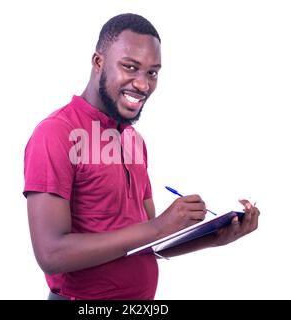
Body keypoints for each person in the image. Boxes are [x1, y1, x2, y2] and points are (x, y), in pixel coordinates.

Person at [23, 13, 260, 300]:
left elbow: (148, 241)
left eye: (152, 72)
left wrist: (215, 237)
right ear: (98, 63)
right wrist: (159, 225)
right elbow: (51, 253)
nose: (143, 84)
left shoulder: (133, 140)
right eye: (130, 67)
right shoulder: (55, 133)